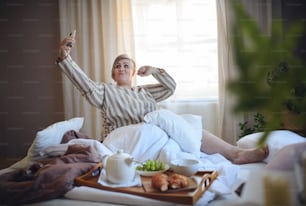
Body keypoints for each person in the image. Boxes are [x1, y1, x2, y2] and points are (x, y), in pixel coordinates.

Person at [56, 35, 268, 164]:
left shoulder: (144, 92)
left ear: (132, 73)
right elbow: (85, 85)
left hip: (151, 138)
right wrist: (65, 57)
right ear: (113, 74)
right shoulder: (104, 90)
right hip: (122, 141)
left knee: (191, 127)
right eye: (117, 65)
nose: (121, 67)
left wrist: (154, 70)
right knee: (165, 121)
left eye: (126, 65)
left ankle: (236, 153)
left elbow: (170, 87)